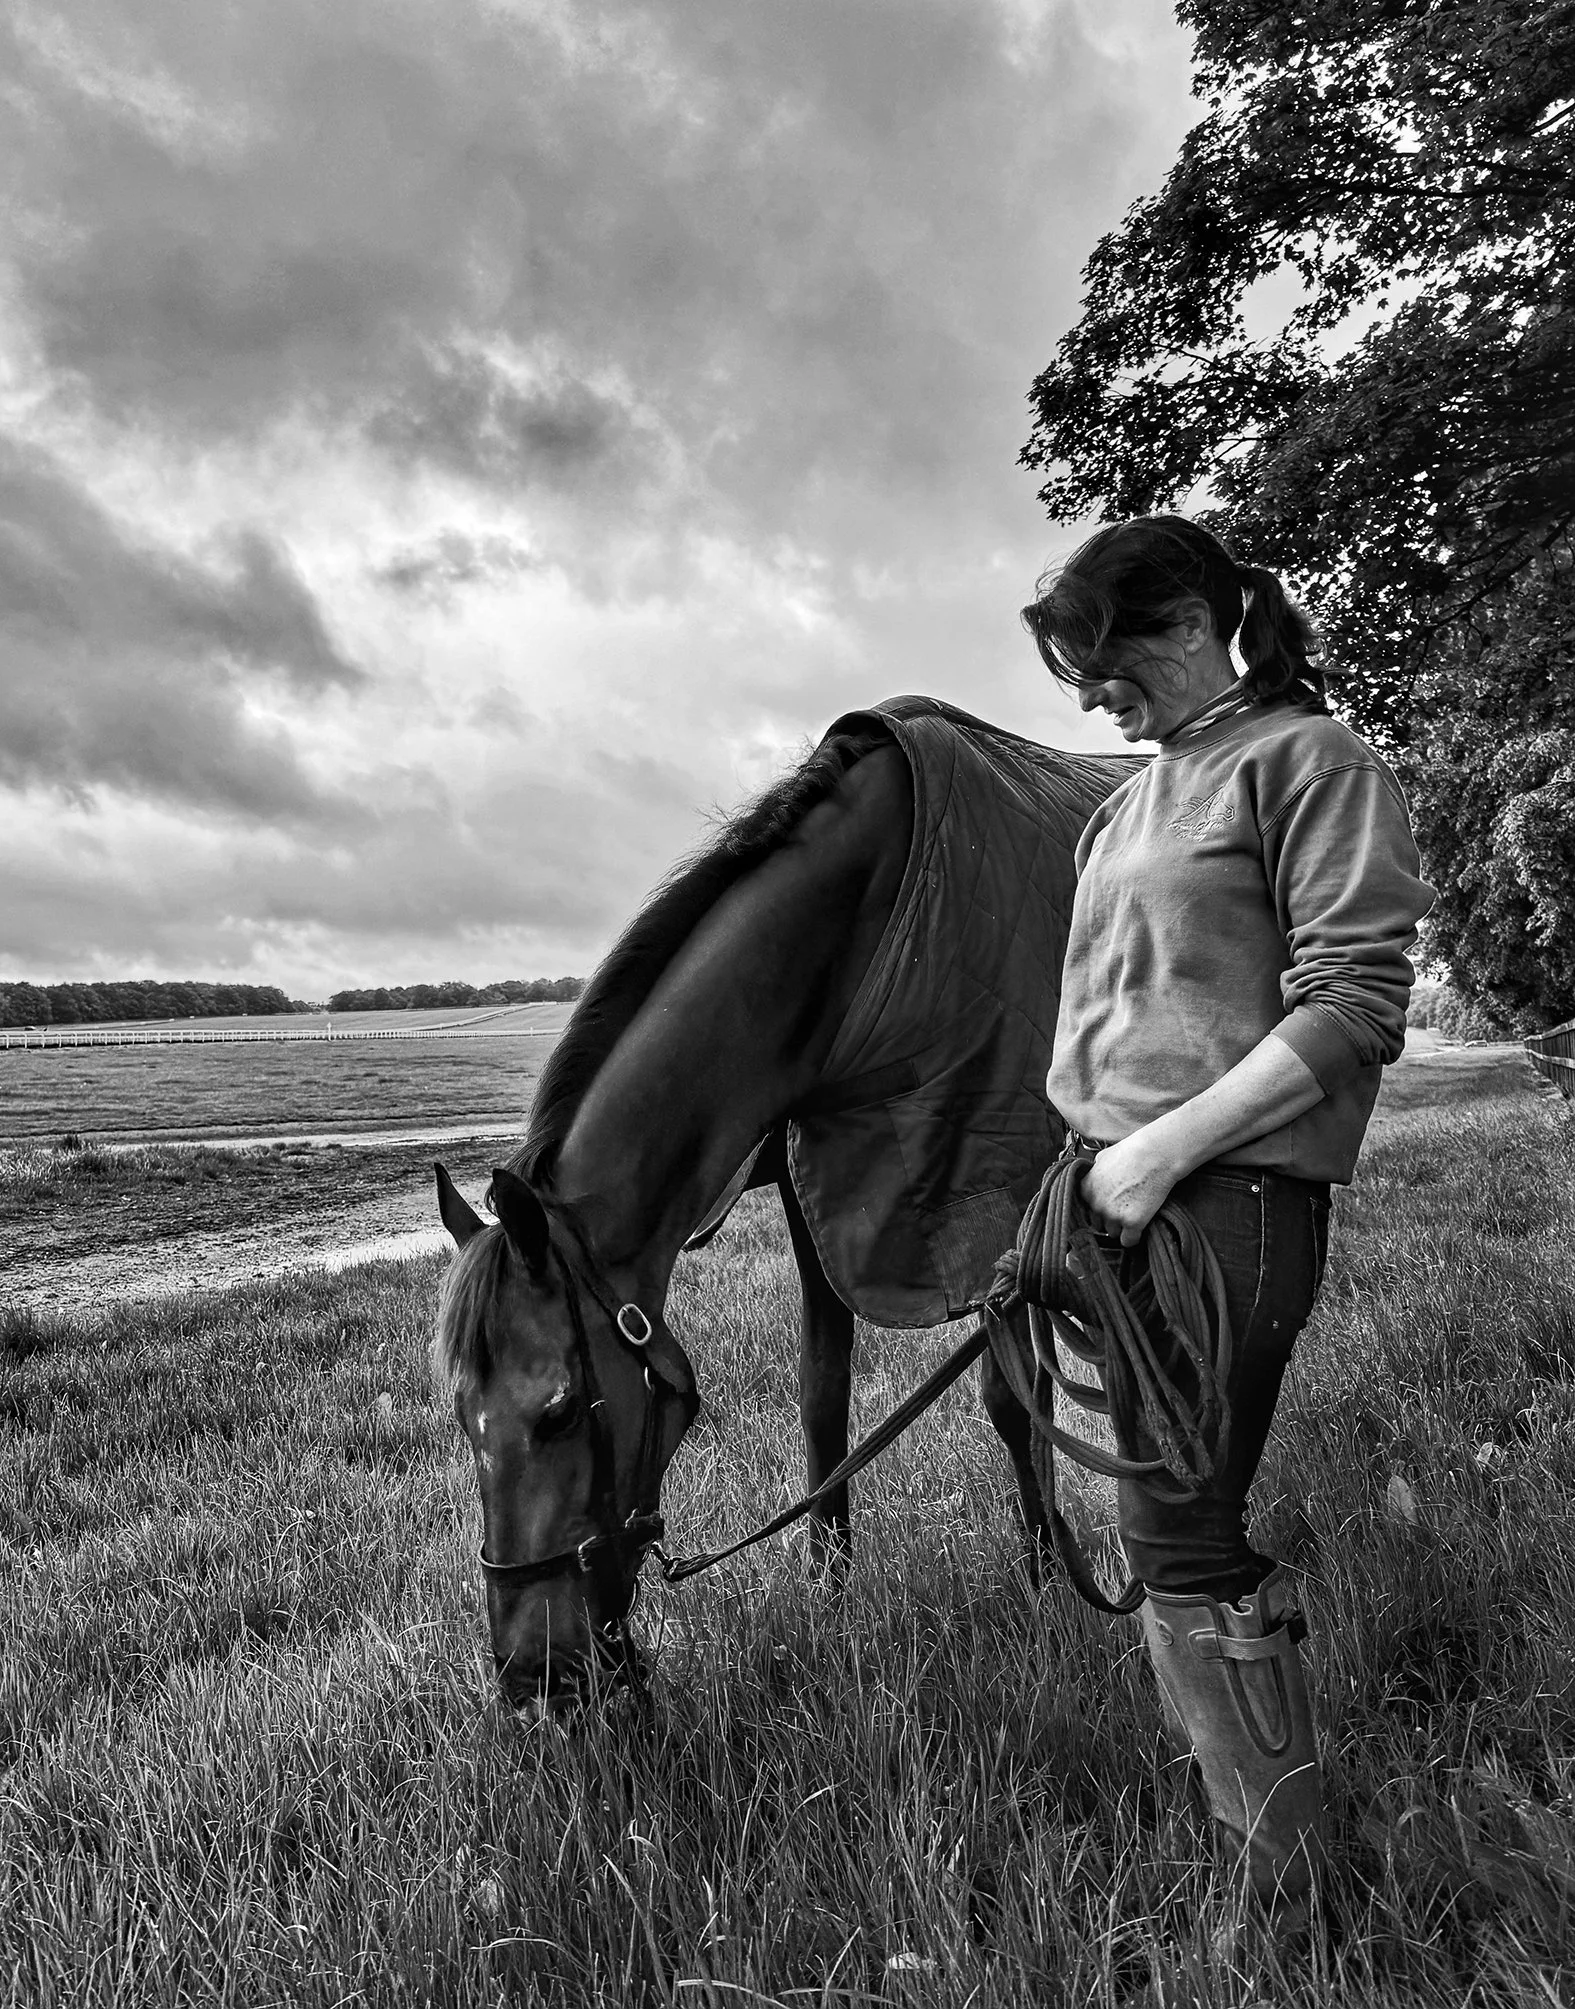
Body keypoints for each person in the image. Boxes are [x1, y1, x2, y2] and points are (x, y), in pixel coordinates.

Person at [1020, 514, 1433, 1930]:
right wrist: (1078, 1172)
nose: (1085, 694)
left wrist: (1151, 1159)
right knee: (1162, 1519)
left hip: (1223, 1206)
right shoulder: (1125, 804)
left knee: (1181, 1535)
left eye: (1100, 658)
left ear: (1187, 621)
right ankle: (1258, 1837)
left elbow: (1351, 1009)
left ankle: (1291, 1896)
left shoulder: (1311, 762)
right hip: (1110, 1204)